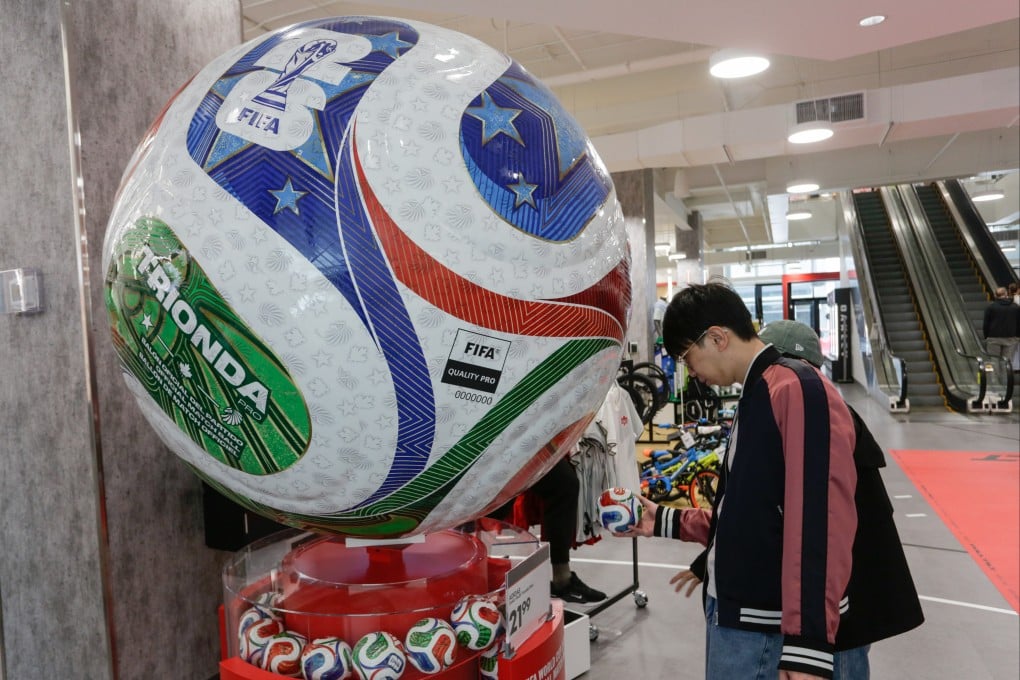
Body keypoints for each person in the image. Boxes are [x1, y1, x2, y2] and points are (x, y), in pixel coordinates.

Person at [621, 284, 918, 680]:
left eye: (687, 356)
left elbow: (819, 520)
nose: (689, 371)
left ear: (717, 338)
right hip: (745, 618)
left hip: (766, 629)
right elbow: (752, 514)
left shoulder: (795, 388)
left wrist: (808, 645)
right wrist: (663, 520)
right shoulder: (758, 393)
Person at [489, 456, 607, 604]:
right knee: (493, 504)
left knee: (563, 484)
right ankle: (473, 577)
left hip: (518, 447)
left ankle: (562, 578)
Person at [982, 287, 1019, 363]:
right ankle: (1006, 371)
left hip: (993, 338)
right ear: (1006, 294)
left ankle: (995, 371)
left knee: (993, 361)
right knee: (1007, 362)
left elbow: (986, 324)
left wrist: (986, 336)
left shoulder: (990, 307)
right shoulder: (1015, 307)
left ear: (995, 295)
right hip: (1010, 338)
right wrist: (1017, 336)